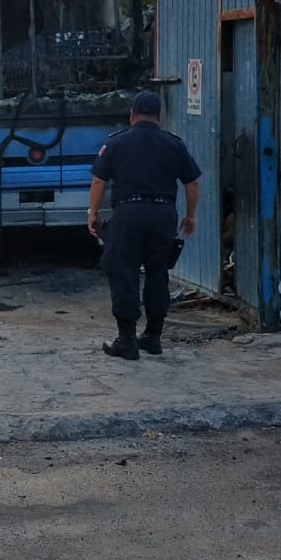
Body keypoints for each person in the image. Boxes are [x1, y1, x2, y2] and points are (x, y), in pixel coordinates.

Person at [87, 91, 201, 360]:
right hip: (163, 215)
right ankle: (153, 336)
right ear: (159, 117)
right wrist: (190, 215)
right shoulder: (174, 144)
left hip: (128, 214)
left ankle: (126, 340)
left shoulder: (117, 143)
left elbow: (98, 182)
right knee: (158, 272)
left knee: (123, 271)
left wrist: (92, 212)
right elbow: (192, 182)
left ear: (132, 116)